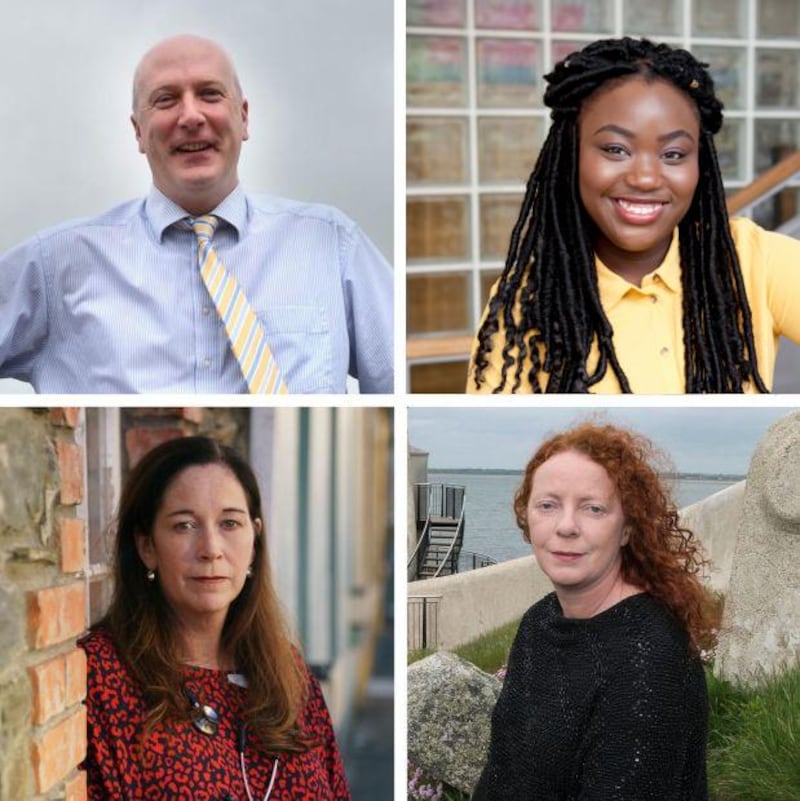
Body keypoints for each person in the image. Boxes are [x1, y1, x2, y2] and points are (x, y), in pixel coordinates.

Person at [0, 35, 392, 394]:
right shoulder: (55, 264)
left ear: (244, 117)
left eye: (209, 94)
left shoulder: (332, 244)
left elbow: (401, 385)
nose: (190, 116)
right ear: (138, 131)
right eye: (166, 100)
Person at [467, 37, 800, 394]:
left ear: (699, 164)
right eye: (615, 149)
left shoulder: (754, 260)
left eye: (673, 154)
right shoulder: (525, 302)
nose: (645, 178)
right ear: (571, 156)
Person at [79, 435, 351, 799]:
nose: (210, 550)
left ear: (255, 541)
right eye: (184, 525)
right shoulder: (102, 676)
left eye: (230, 524)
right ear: (147, 547)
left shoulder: (287, 671)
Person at [473, 423, 712, 800]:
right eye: (548, 505)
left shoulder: (651, 659)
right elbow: (504, 772)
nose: (566, 526)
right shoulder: (541, 622)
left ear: (627, 529)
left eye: (593, 508)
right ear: (527, 518)